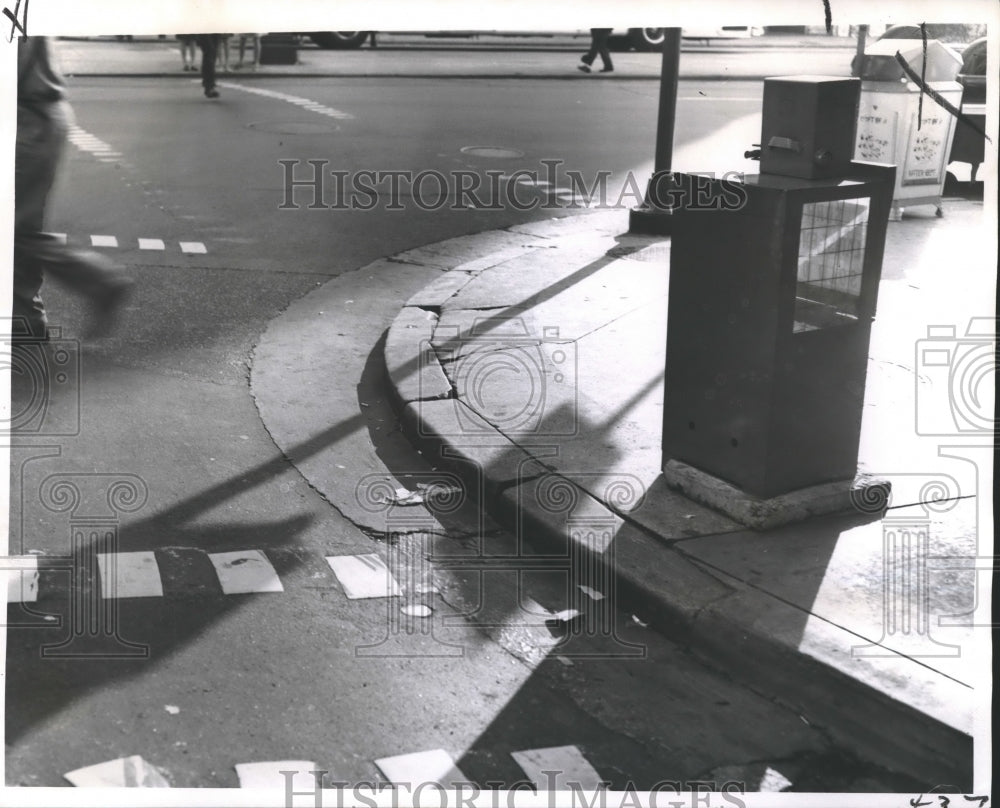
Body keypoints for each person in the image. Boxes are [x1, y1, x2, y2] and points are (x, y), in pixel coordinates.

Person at [13, 36, 133, 344]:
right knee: (19, 228)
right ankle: (24, 318)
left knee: (15, 231)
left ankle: (99, 281)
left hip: (26, 118)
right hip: (36, 114)